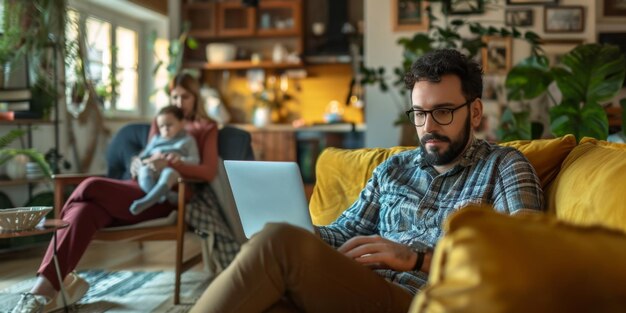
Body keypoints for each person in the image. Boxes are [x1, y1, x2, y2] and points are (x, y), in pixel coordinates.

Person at [189, 49, 545, 313]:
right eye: (420, 113)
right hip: (355, 287)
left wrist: (416, 259)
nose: (429, 126)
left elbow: (522, 263)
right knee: (271, 292)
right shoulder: (393, 168)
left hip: (421, 299)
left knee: (277, 243)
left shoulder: (505, 167)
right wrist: (304, 231)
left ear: (476, 112)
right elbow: (345, 232)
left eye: (443, 111)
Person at [11, 73, 232, 313]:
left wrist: (171, 163)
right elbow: (146, 155)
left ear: (195, 97)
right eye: (174, 96)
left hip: (165, 195)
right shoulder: (162, 120)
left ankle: (53, 286)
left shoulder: (206, 128)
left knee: (90, 187)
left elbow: (208, 171)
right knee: (85, 210)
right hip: (137, 186)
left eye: (185, 96)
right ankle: (40, 293)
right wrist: (136, 162)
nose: (179, 102)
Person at [130, 105, 200, 215]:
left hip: (172, 171)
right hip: (153, 168)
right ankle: (164, 197)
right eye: (161, 126)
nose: (165, 129)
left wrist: (180, 159)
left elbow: (195, 160)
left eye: (169, 125)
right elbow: (143, 156)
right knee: (143, 171)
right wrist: (145, 161)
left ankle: (147, 201)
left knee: (169, 173)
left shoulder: (188, 140)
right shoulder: (156, 139)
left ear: (182, 123)